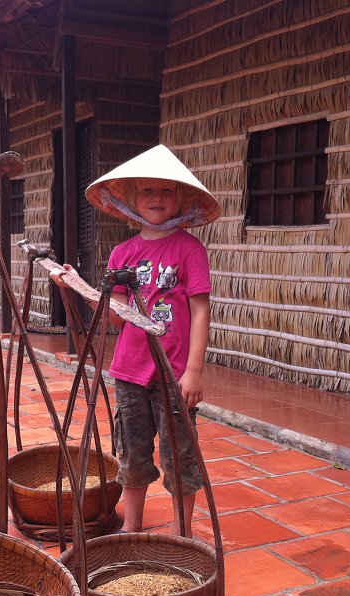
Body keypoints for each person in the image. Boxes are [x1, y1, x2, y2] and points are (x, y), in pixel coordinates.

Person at [50, 144, 221, 538]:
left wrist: (194, 371)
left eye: (166, 191)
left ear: (180, 198)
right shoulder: (122, 253)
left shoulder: (189, 249)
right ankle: (131, 524)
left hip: (174, 374)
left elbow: (199, 310)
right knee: (131, 453)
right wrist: (77, 288)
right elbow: (113, 315)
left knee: (180, 456)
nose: (157, 199)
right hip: (128, 373)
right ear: (131, 198)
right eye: (147, 191)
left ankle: (181, 533)